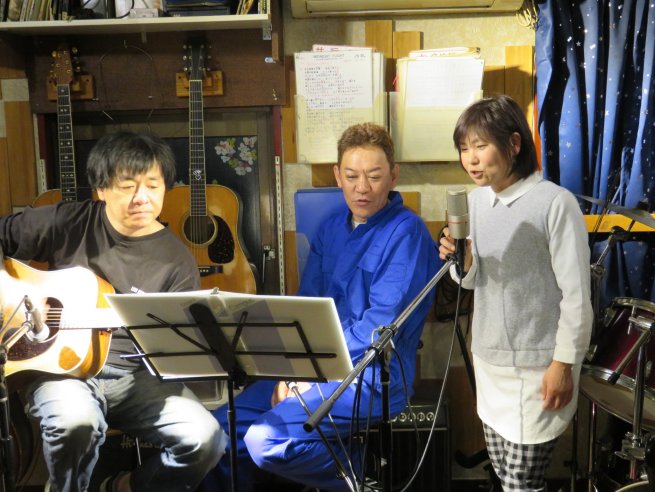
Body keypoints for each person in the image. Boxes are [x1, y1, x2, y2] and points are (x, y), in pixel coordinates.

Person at [201, 122, 440, 491]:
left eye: (375, 176)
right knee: (219, 432)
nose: (363, 187)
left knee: (267, 440)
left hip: (371, 378)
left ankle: (360, 473)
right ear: (337, 176)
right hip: (310, 370)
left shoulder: (407, 233)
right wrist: (290, 372)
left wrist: (311, 376)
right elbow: (306, 309)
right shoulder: (330, 228)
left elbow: (378, 329)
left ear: (393, 176)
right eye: (352, 176)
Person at [0, 131, 226, 492]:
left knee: (205, 439)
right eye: (127, 186)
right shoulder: (66, 222)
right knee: (74, 422)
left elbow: (175, 350)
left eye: (153, 186)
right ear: (101, 189)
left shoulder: (177, 262)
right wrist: (12, 294)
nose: (142, 198)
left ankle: (126, 486)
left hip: (134, 377)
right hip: (59, 371)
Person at [438, 95, 593, 491]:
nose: (471, 159)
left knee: (522, 482)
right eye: (464, 149)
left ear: (513, 144)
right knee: (505, 476)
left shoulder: (554, 203)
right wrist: (462, 261)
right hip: (489, 364)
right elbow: (472, 281)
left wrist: (564, 364)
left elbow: (577, 295)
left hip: (539, 367)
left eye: (480, 146)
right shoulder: (475, 203)